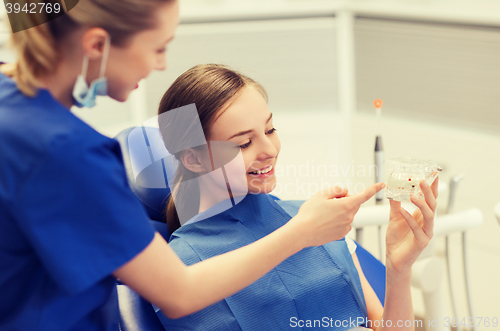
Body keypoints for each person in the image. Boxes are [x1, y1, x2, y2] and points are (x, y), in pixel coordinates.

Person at [0, 1, 385, 329]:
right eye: (158, 47)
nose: (161, 64)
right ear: (98, 44)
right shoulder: (67, 155)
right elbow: (178, 293)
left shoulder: (11, 106)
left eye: (270, 128)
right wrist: (303, 231)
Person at [155, 64, 439, 330]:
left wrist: (398, 269)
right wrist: (302, 232)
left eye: (270, 130)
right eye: (243, 143)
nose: (269, 149)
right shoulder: (182, 267)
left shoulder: (316, 219)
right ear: (193, 159)